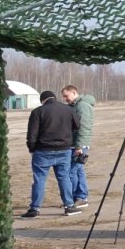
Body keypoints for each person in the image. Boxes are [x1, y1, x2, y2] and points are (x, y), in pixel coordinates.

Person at [22, 90, 81, 218]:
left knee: (39, 179)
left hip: (42, 150)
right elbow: (77, 125)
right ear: (54, 97)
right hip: (64, 149)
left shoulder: (38, 111)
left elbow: (32, 133)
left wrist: (31, 148)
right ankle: (69, 206)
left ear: (42, 100)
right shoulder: (68, 109)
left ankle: (34, 209)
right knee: (64, 178)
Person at [61, 85, 94, 209]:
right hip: (74, 144)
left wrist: (79, 146)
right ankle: (80, 197)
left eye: (66, 96)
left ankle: (79, 197)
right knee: (78, 171)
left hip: (79, 145)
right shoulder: (74, 106)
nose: (65, 99)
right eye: (63, 97)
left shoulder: (82, 106)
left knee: (72, 172)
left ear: (74, 93)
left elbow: (84, 127)